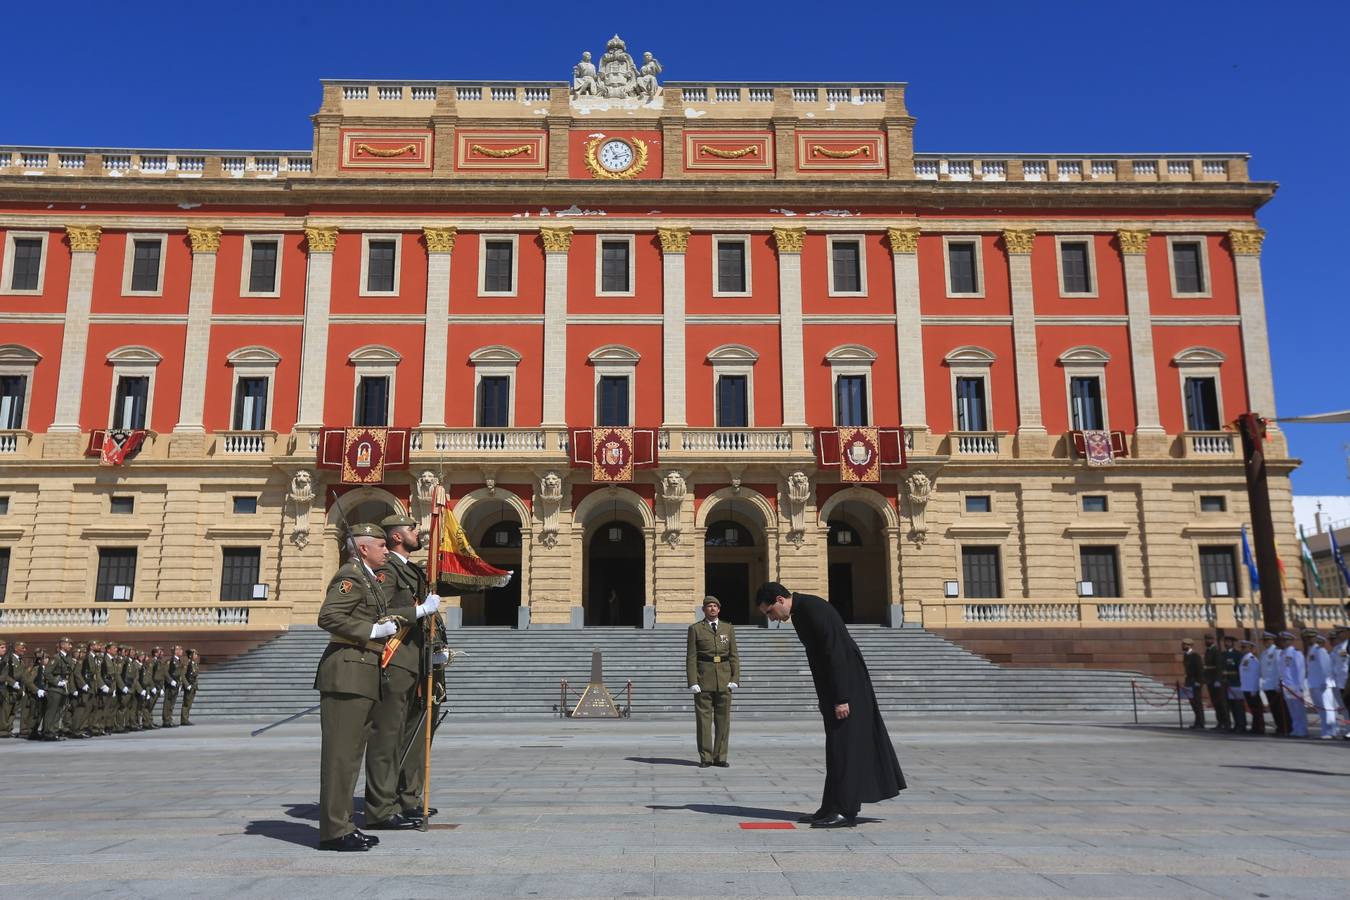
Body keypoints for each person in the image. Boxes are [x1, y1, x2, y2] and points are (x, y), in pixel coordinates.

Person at [755, 582, 904, 827]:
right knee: (836, 749)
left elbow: (836, 653)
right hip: (835, 690)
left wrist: (841, 698)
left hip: (847, 689)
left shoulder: (813, 609)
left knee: (845, 750)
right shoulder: (802, 612)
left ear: (781, 600)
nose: (771, 618)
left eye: (769, 612)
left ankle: (845, 811)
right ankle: (830, 806)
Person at [314, 523, 397, 852]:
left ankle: (344, 825)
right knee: (340, 758)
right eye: (380, 545)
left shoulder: (368, 578)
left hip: (361, 674)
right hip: (347, 673)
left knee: (349, 758)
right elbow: (329, 616)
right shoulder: (349, 576)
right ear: (362, 548)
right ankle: (334, 832)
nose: (386, 549)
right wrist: (372, 631)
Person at [365, 514, 441, 830]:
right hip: (395, 661)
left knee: (414, 732)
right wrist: (419, 611)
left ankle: (407, 799)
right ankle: (382, 807)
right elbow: (377, 610)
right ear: (398, 536)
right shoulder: (387, 570)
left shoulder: (410, 570)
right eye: (412, 529)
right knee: (389, 735)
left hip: (417, 660)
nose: (418, 532)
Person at [686, 596, 739, 768]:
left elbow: (734, 656)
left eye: (715, 606)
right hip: (703, 678)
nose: (712, 609)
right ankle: (706, 757)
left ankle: (720, 756)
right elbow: (691, 657)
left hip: (724, 678)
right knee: (703, 721)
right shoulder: (695, 629)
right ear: (704, 610)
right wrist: (692, 681)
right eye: (709, 606)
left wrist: (735, 678)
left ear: (719, 609)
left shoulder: (728, 628)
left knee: (724, 720)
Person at [1305, 632, 1337, 740]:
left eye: (1311, 637)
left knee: (1327, 708)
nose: (1309, 639)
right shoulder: (1311, 651)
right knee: (1320, 709)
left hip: (1322, 684)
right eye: (1308, 638)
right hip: (1314, 684)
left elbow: (1326, 668)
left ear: (1316, 638)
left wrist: (1326, 682)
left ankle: (1331, 731)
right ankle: (1326, 730)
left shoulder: (1321, 650)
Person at [1278, 631, 1308, 738]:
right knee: (1292, 710)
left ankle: (1302, 730)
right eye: (1282, 640)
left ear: (1291, 641)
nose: (1283, 642)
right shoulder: (1282, 653)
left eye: (1286, 640)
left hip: (1295, 686)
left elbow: (1301, 670)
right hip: (1286, 686)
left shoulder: (1296, 653)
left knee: (1299, 709)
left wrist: (1299, 686)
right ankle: (1296, 729)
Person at [1259, 632, 1287, 736]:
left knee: (1280, 708)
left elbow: (1280, 669)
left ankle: (1285, 728)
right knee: (1274, 709)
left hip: (1276, 685)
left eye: (1267, 640)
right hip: (1267, 685)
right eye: (1264, 640)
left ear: (1272, 640)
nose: (1265, 642)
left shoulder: (1277, 652)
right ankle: (1279, 727)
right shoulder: (1263, 653)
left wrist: (1279, 682)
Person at [1201, 634, 1230, 731]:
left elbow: (1219, 667)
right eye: (1206, 639)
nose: (1206, 641)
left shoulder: (1216, 651)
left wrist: (1218, 680)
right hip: (1210, 680)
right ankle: (1220, 722)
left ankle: (1226, 723)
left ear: (1212, 640)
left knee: (1221, 702)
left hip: (1216, 680)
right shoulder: (1208, 651)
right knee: (1216, 702)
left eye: (1208, 639)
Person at [1237, 639, 1264, 735]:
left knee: (1257, 709)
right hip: (1246, 687)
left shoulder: (1252, 659)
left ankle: (1260, 728)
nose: (1243, 649)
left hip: (1252, 688)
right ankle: (1255, 727)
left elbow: (1255, 675)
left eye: (1245, 647)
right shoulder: (1244, 659)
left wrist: (1254, 689)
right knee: (1253, 709)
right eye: (1242, 647)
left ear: (1250, 648)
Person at [1221, 635, 1247, 734]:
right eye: (1225, 641)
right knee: (1231, 706)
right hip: (1227, 684)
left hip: (1236, 683)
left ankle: (1241, 725)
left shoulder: (1237, 655)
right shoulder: (1223, 654)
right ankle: (1236, 724)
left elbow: (1240, 670)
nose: (1226, 643)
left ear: (1232, 643)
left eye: (1228, 642)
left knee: (1238, 706)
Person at [1181, 639, 1205, 729]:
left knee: (1197, 702)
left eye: (1184, 645)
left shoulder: (1195, 655)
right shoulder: (1186, 655)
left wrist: (1199, 682)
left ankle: (1201, 722)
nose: (1183, 646)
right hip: (1189, 682)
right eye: (1183, 644)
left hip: (1195, 682)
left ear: (1190, 645)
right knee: (1193, 703)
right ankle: (1197, 722)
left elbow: (1200, 669)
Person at [0, 638, 21, 738]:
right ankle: (3, 730)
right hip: (3, 686)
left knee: (8, 710)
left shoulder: (4, 660)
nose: (4, 649)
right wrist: (12, 682)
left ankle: (6, 729)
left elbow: (6, 675)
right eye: (2, 647)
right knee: (4, 711)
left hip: (3, 688)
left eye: (5, 647)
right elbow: (4, 676)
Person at [1330, 626, 1349, 739]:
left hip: (1347, 681)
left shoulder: (1347, 646)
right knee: (1344, 708)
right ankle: (1348, 730)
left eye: (1340, 632)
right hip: (1339, 682)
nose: (1338, 635)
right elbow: (1335, 666)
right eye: (1337, 633)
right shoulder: (1337, 648)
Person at [162, 645, 185, 728]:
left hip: (176, 684)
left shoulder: (179, 661)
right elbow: (166, 672)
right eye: (180, 650)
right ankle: (166, 721)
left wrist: (180, 683)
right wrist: (171, 681)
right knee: (168, 703)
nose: (182, 651)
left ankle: (169, 719)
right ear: (176, 651)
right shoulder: (170, 661)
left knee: (172, 703)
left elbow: (180, 673)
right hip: (170, 685)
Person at [180, 649, 200, 726]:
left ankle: (186, 719)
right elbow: (182, 675)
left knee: (189, 703)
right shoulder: (187, 663)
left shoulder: (194, 663)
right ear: (191, 655)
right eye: (195, 654)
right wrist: (187, 685)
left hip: (193, 686)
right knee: (186, 703)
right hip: (189, 686)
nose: (196, 656)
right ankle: (184, 720)